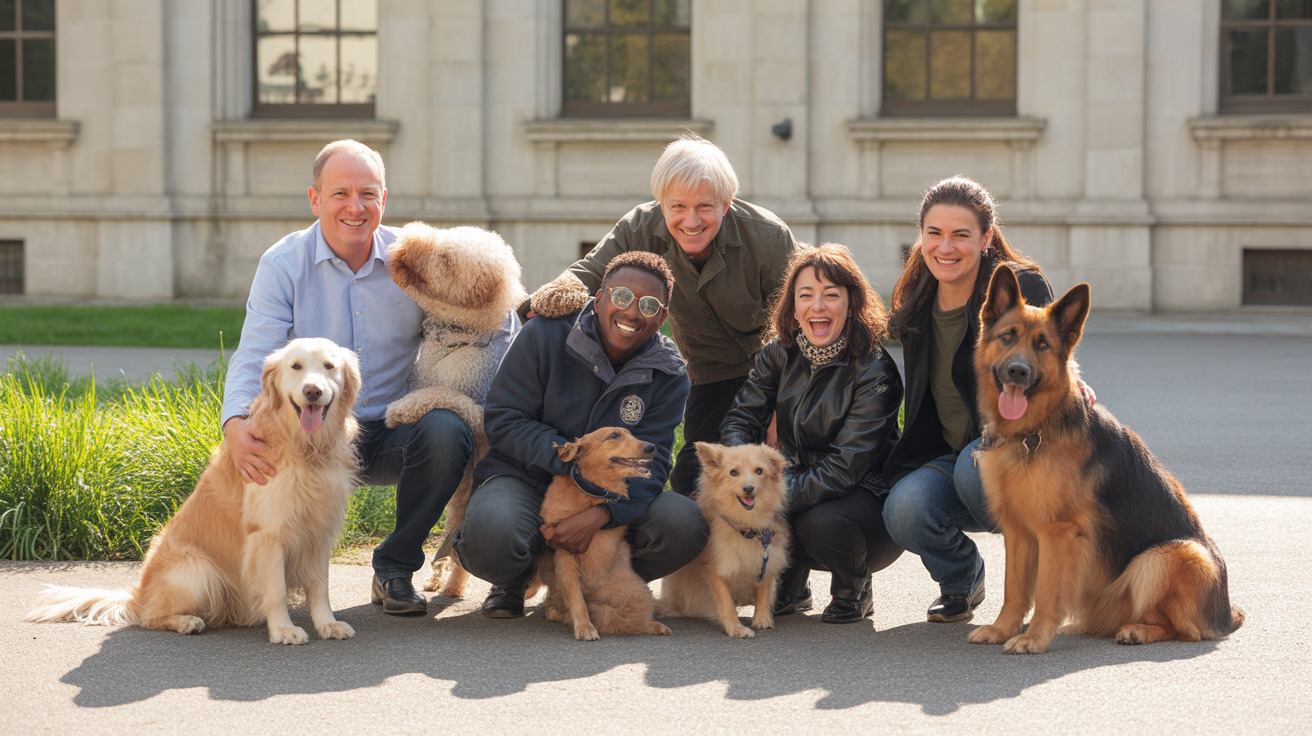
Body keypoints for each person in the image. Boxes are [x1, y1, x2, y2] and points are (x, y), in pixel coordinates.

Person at [220, 139, 517, 617]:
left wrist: (534, 314)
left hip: (396, 430)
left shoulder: (411, 260)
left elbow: (486, 309)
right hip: (313, 431)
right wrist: (235, 421)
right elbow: (256, 352)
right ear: (315, 199)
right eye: (340, 194)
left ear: (384, 198)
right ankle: (258, 577)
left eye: (368, 194)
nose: (355, 208)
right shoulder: (283, 264)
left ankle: (394, 568)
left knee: (448, 431)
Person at [525, 134, 804, 496]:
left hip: (776, 372)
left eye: (705, 206)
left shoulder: (768, 237)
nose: (691, 220)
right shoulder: (639, 226)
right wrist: (542, 302)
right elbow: (588, 273)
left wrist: (780, 407)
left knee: (781, 467)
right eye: (678, 206)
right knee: (694, 481)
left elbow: (798, 324)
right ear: (661, 203)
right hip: (711, 373)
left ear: (727, 203)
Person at [454, 252, 709, 618]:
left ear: (662, 317)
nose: (632, 312)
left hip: (607, 495)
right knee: (490, 535)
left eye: (649, 305)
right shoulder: (544, 334)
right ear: (600, 298)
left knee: (684, 523)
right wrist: (575, 461)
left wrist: (602, 514)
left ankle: (597, 585)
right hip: (526, 477)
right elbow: (505, 419)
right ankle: (516, 578)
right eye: (622, 296)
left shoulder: (668, 373)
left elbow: (650, 465)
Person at [879, 175, 1055, 623]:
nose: (946, 247)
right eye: (934, 233)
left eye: (961, 235)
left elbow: (1052, 360)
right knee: (904, 509)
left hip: (1022, 452)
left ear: (986, 238)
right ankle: (962, 580)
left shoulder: (1021, 287)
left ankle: (1041, 587)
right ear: (921, 236)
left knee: (974, 464)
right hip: (952, 454)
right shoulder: (918, 297)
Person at [719, 244, 905, 623]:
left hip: (867, 506)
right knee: (771, 499)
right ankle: (790, 586)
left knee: (817, 520)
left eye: (831, 295)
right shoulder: (779, 352)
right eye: (806, 295)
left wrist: (769, 495)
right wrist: (741, 474)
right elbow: (741, 417)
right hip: (801, 485)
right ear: (793, 305)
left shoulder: (875, 370)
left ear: (851, 304)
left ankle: (854, 589)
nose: (817, 306)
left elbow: (843, 470)